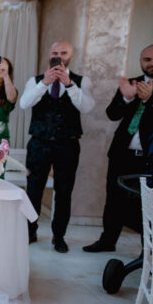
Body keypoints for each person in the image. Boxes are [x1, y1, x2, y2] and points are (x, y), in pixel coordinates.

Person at [84, 44, 153, 252]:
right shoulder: (133, 82)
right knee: (114, 197)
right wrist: (126, 98)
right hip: (123, 153)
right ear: (141, 62)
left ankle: (149, 251)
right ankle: (107, 241)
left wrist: (149, 100)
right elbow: (112, 113)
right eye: (147, 60)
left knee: (152, 204)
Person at [19, 41, 95, 252]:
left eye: (64, 52)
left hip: (68, 144)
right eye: (55, 52)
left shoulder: (82, 81)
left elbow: (87, 107)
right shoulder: (34, 80)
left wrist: (69, 85)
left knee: (64, 191)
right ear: (49, 55)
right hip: (39, 142)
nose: (59, 56)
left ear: (71, 56)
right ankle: (29, 231)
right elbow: (24, 104)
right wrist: (44, 83)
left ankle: (59, 236)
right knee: (33, 189)